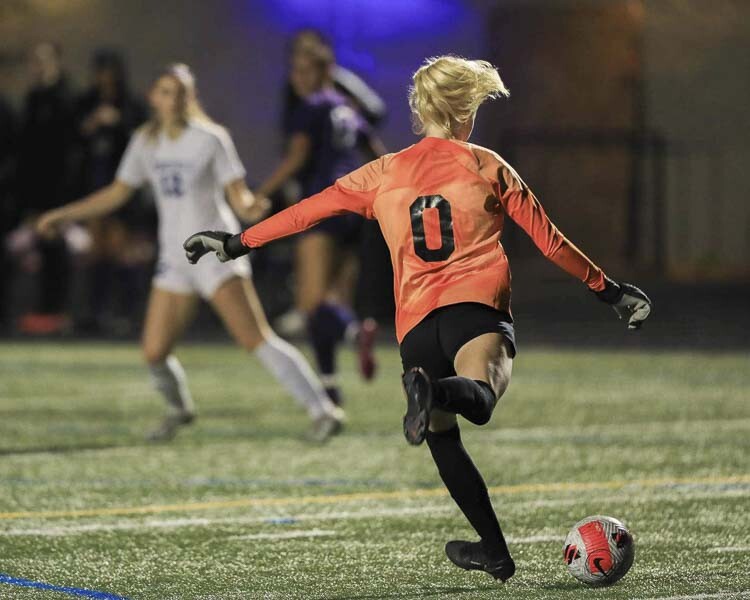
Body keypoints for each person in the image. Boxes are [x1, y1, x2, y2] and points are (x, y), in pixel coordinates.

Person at [185, 55, 653, 581]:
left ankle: (494, 550)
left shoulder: (382, 172)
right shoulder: (486, 164)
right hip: (474, 309)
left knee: (443, 437)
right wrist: (609, 291)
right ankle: (438, 390)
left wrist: (236, 242)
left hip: (414, 328)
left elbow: (308, 210)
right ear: (461, 112)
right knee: (479, 398)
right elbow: (549, 241)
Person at [37, 63, 343, 442]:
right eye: (166, 91)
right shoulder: (145, 141)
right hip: (175, 256)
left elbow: (239, 196)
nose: (174, 99)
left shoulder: (211, 138)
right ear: (154, 97)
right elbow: (117, 193)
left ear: (191, 97)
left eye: (181, 92)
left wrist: (251, 209)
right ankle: (179, 411)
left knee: (254, 338)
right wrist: (65, 214)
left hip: (215, 250)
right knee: (154, 352)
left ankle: (323, 410)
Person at [255, 43, 386, 405]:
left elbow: (296, 159)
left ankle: (356, 332)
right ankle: (330, 387)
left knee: (311, 305)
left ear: (326, 74)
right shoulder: (349, 110)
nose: (298, 79)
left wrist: (261, 195)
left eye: (306, 71)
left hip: (324, 205)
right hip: (356, 209)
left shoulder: (310, 107)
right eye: (295, 71)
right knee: (330, 303)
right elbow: (377, 155)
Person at [73, 48, 150, 333]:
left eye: (109, 72)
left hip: (122, 189)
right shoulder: (86, 102)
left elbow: (142, 136)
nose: (104, 78)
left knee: (121, 250)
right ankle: (96, 312)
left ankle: (127, 313)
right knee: (96, 252)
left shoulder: (130, 104)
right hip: (95, 185)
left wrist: (117, 123)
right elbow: (74, 138)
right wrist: (91, 124)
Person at [16, 42, 76, 334]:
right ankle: (42, 311)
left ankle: (58, 311)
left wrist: (67, 200)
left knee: (57, 251)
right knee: (39, 252)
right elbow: (25, 152)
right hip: (35, 192)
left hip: (60, 193)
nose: (38, 65)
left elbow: (70, 152)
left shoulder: (66, 99)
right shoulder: (32, 99)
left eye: (44, 59)